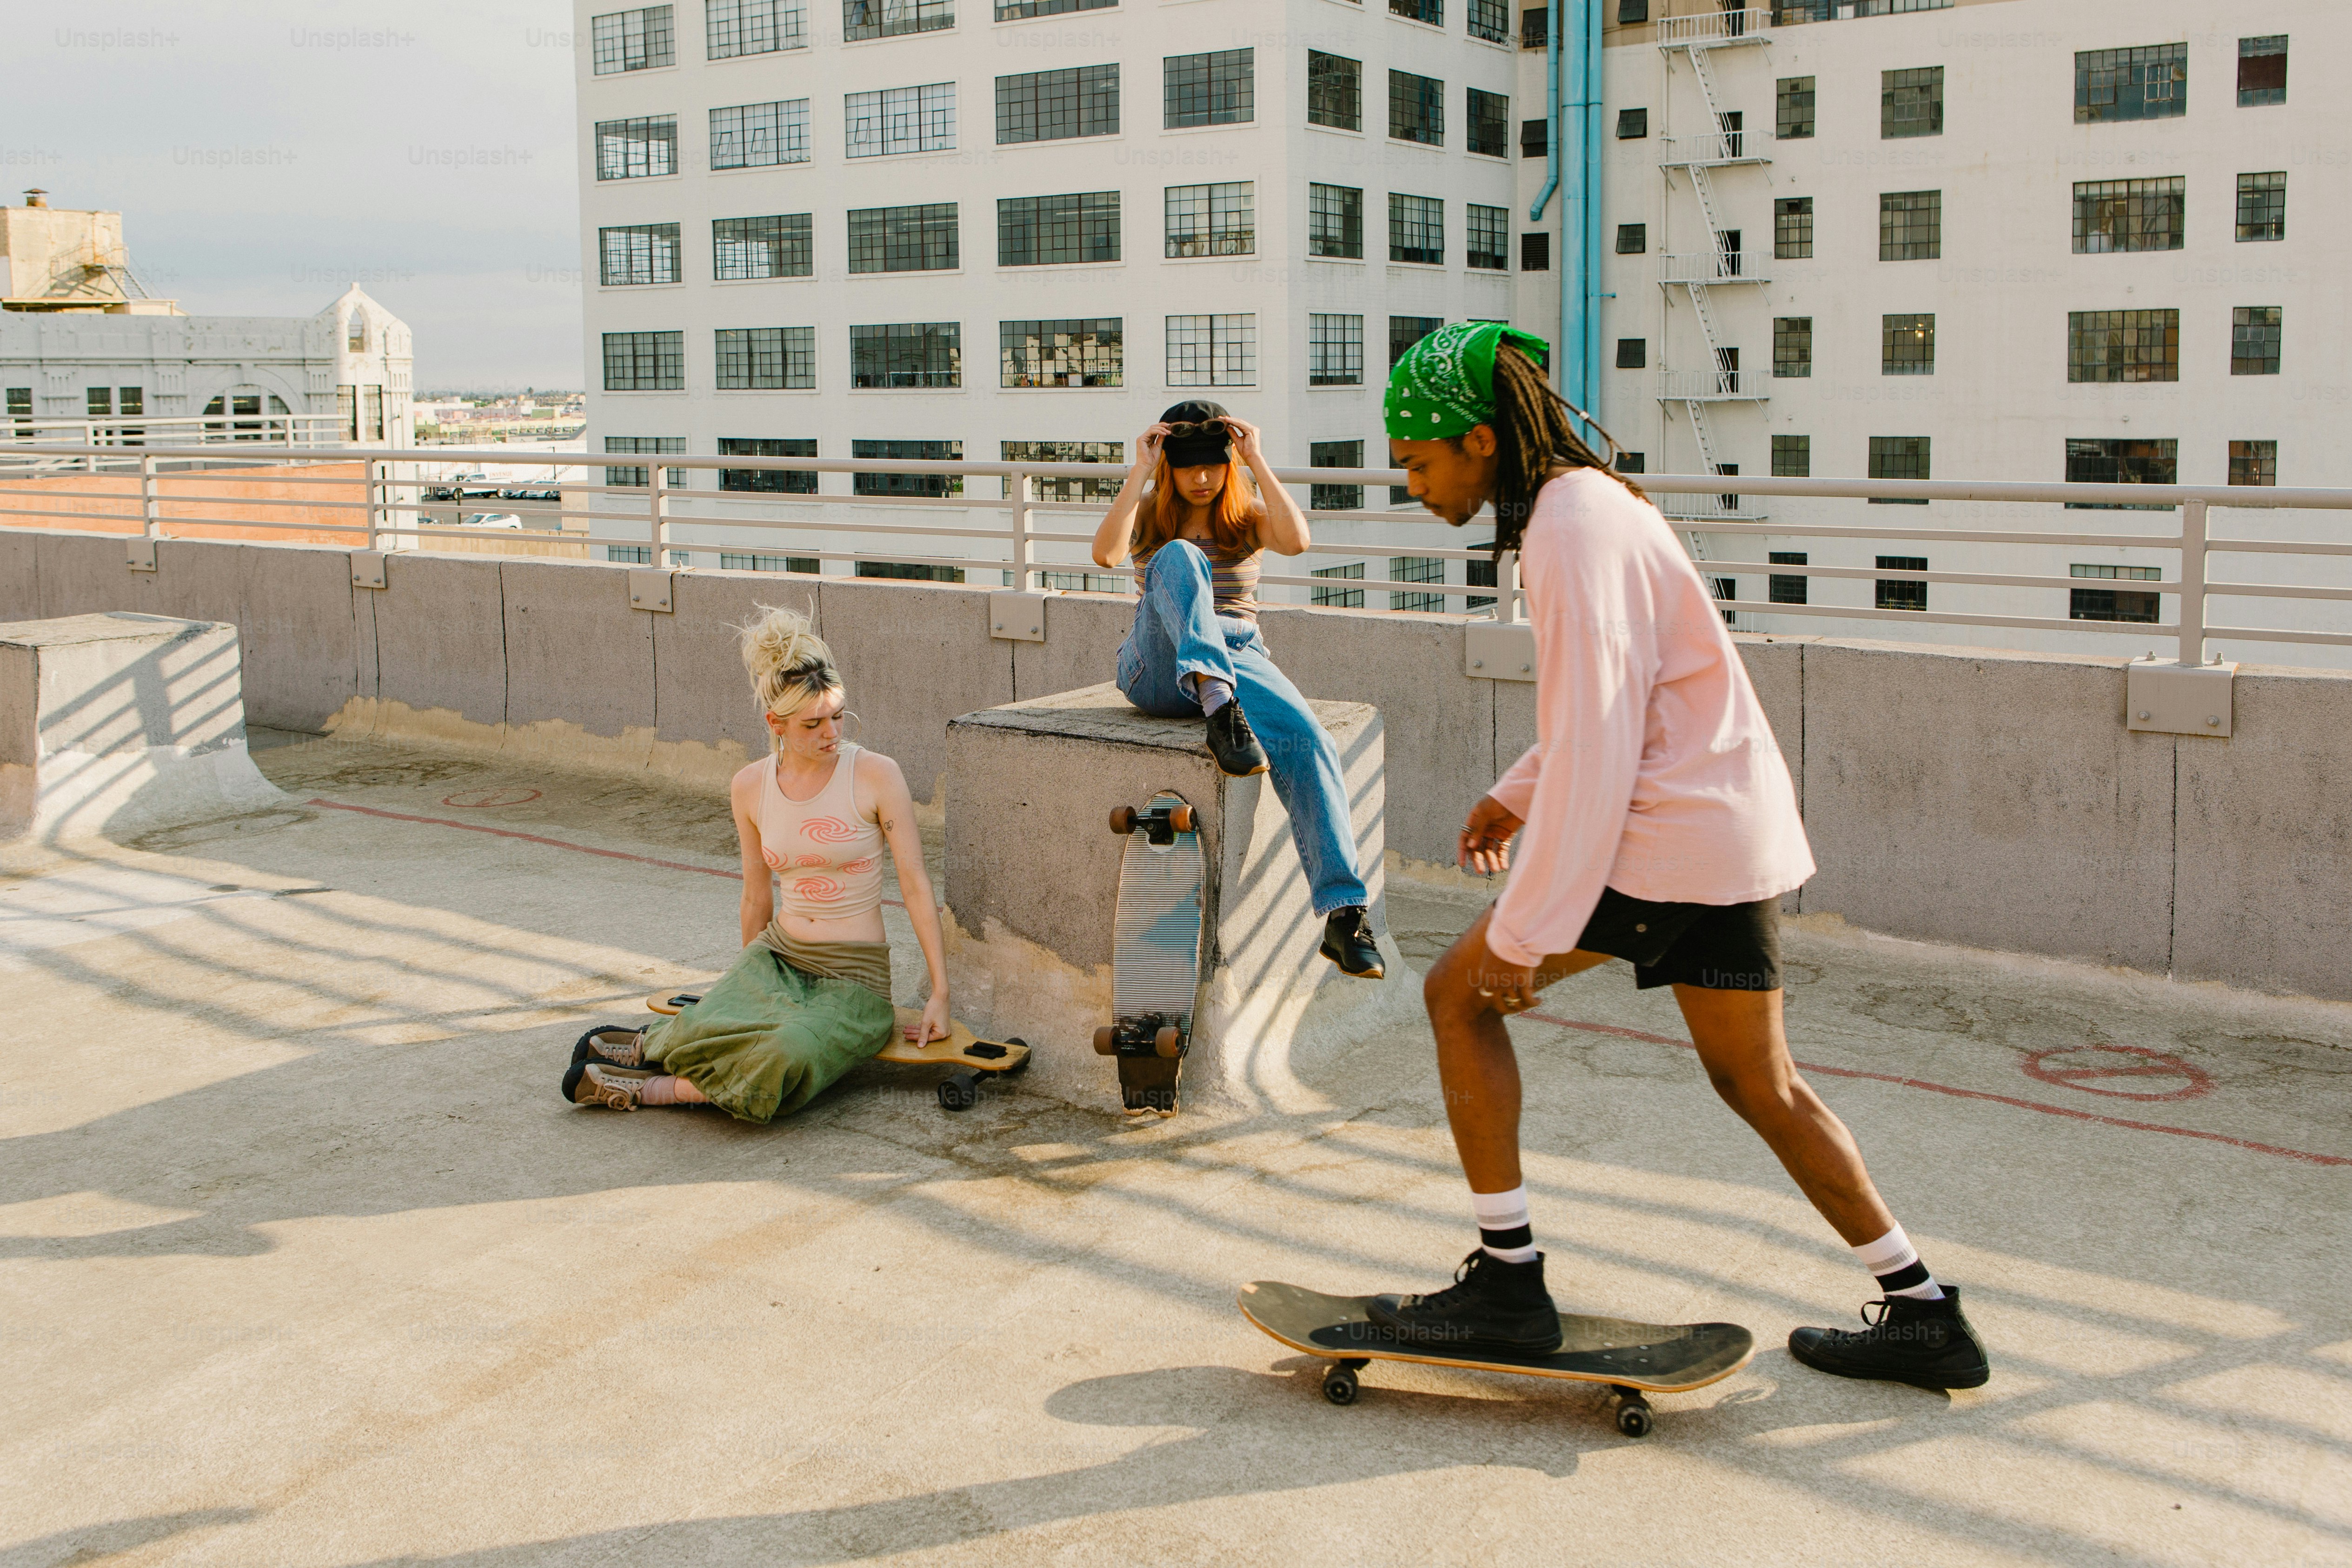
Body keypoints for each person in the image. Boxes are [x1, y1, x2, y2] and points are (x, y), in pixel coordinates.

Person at [1361, 323, 1989, 1391]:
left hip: (1662, 838)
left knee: (1459, 997)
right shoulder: (1596, 505)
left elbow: (1601, 746)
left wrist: (1526, 930)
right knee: (1760, 1082)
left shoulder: (1564, 525)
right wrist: (1513, 791)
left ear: (1476, 442)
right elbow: (1629, 695)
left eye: (1418, 464)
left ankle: (1507, 1284)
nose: (1412, 488)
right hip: (1725, 827)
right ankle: (1922, 1307)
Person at [563, 605, 951, 1119]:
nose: (831, 733)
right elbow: (755, 894)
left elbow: (915, 883)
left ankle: (647, 1086)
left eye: (838, 716)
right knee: (721, 1022)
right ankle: (649, 1046)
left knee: (785, 1053)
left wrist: (940, 992)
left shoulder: (877, 776)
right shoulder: (750, 786)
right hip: (777, 954)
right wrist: (748, 989)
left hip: (854, 980)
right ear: (777, 723)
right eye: (813, 724)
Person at [1091, 399, 1381, 980]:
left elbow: (1298, 542)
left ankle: (1344, 914)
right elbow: (1105, 554)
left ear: (1228, 465)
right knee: (1180, 557)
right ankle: (1221, 708)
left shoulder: (1246, 513)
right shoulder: (1150, 513)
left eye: (1213, 466)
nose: (1201, 478)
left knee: (1310, 741)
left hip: (1238, 652)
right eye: (1188, 467)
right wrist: (1139, 473)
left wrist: (1257, 459)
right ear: (1170, 468)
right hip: (1156, 664)